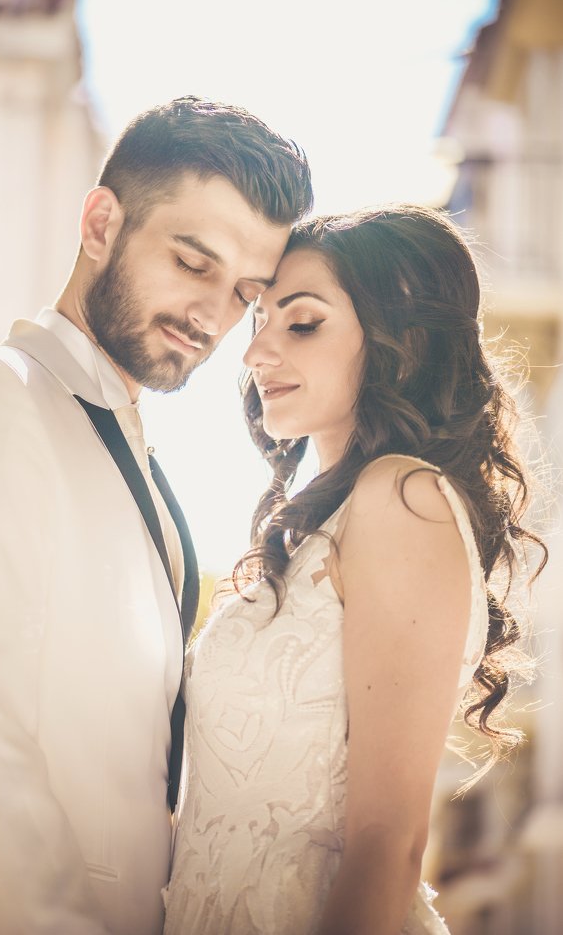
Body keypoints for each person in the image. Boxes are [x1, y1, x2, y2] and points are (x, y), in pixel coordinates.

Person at [0, 96, 313, 935]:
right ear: (99, 223)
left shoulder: (144, 467)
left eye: (243, 294)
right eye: (192, 263)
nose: (213, 317)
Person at [163, 205, 547, 935]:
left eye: (301, 323)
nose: (256, 354)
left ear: (399, 343)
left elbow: (389, 845)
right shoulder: (316, 520)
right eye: (258, 322)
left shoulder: (400, 499)